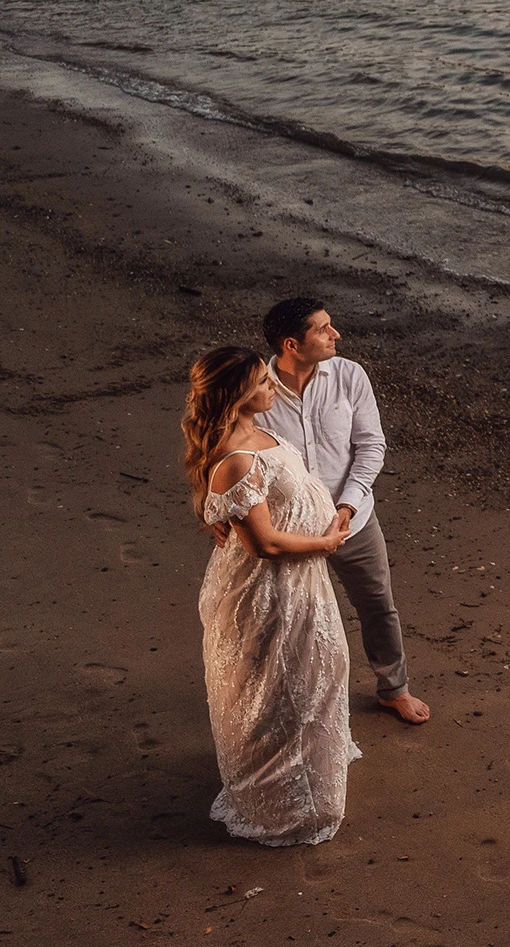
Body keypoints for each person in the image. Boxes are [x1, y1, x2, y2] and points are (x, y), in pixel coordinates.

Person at [183, 345, 358, 847]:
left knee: (319, 670)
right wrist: (325, 543)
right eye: (262, 382)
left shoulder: (252, 430)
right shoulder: (235, 459)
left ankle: (309, 769)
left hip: (302, 580)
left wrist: (332, 516)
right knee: (285, 684)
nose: (272, 387)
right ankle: (286, 801)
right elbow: (265, 544)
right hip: (273, 591)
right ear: (238, 395)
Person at [259, 297, 430, 724]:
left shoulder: (350, 375)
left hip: (352, 519)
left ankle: (394, 689)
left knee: (377, 604)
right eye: (323, 329)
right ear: (291, 344)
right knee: (289, 618)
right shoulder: (257, 390)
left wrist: (348, 505)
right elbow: (244, 456)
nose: (336, 335)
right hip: (290, 529)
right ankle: (294, 700)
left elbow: (371, 446)